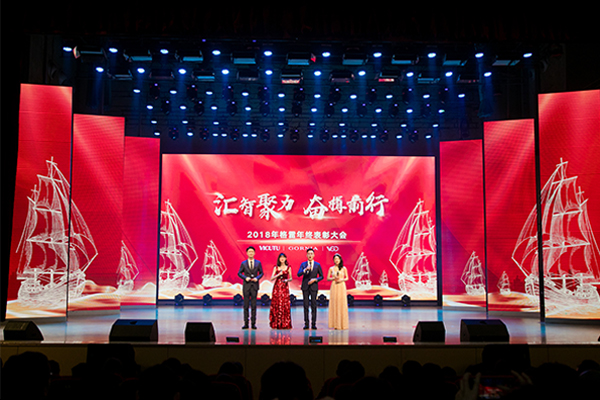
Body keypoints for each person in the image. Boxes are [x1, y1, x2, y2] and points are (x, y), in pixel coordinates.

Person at [297, 248, 323, 329]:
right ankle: (306, 323)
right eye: (308, 254)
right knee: (305, 305)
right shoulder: (303, 264)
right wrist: (305, 270)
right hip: (305, 287)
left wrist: (315, 279)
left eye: (311, 253)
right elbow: (298, 274)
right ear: (306, 255)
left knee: (314, 305)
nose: (310, 255)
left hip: (314, 287)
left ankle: (314, 323)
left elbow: (321, 276)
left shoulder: (317, 265)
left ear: (314, 255)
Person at [238, 246, 263, 329]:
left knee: (254, 305)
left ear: (254, 253)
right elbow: (239, 273)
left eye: (252, 251)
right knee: (245, 305)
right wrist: (245, 278)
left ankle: (253, 323)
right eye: (249, 252)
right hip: (246, 286)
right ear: (247, 253)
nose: (251, 253)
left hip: (254, 286)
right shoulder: (243, 263)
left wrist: (257, 278)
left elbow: (261, 273)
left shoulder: (258, 263)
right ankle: (246, 323)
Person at [269, 253, 293, 329]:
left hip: (284, 287)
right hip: (277, 287)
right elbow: (272, 278)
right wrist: (278, 274)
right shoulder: (276, 267)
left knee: (284, 304)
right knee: (277, 303)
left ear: (286, 259)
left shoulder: (288, 267)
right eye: (280, 257)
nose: (282, 259)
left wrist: (287, 280)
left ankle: (285, 323)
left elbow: (291, 278)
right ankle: (276, 323)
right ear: (279, 259)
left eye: (283, 257)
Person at [327, 253, 349, 330]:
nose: (336, 260)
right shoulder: (331, 269)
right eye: (335, 259)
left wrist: (341, 280)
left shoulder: (344, 268)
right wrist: (334, 278)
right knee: (334, 303)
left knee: (341, 303)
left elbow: (347, 278)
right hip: (334, 286)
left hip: (341, 286)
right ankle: (335, 324)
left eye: (338, 259)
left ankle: (342, 324)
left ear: (340, 260)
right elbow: (328, 278)